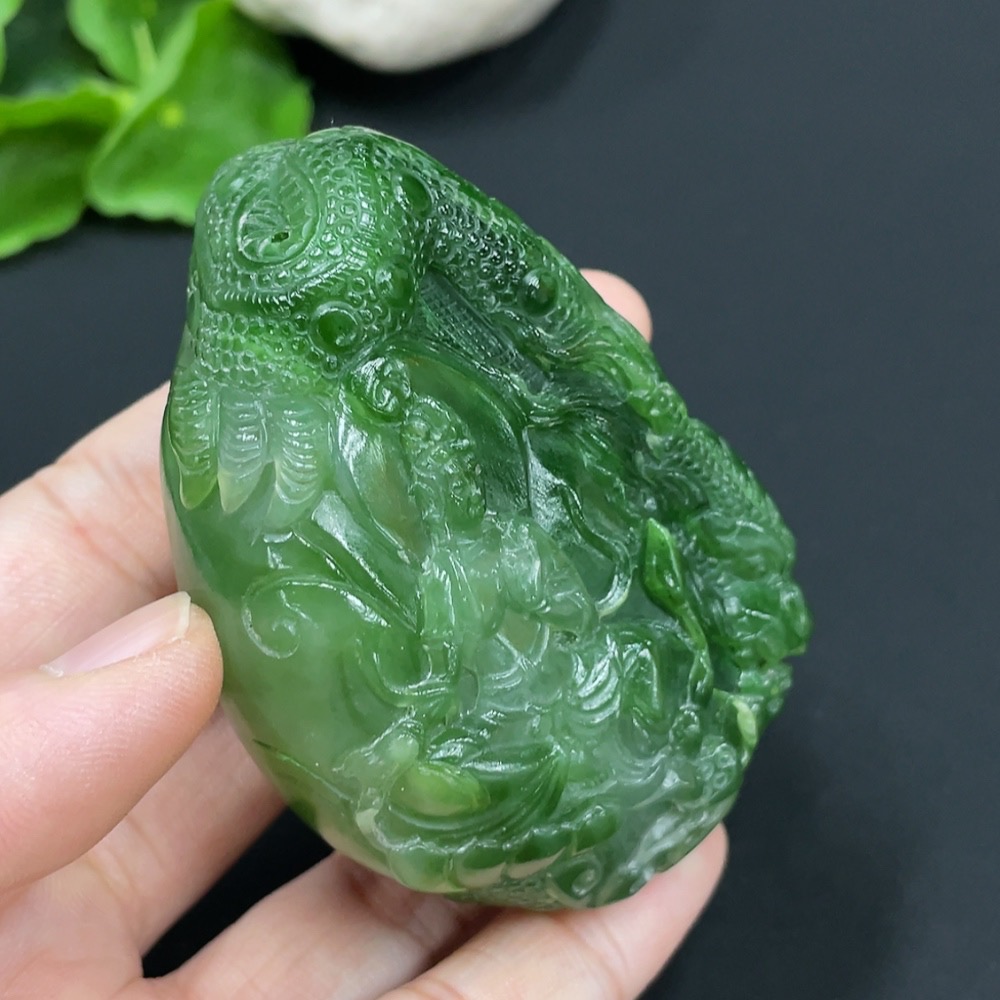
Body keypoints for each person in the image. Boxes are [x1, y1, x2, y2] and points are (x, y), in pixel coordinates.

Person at [0, 272, 726, 999]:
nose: (450, 478)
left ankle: (602, 788)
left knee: (609, 705)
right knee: (436, 783)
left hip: (567, 692)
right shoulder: (432, 573)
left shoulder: (512, 546)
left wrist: (552, 647)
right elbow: (433, 677)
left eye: (457, 462)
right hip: (500, 735)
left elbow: (570, 614)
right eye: (432, 469)